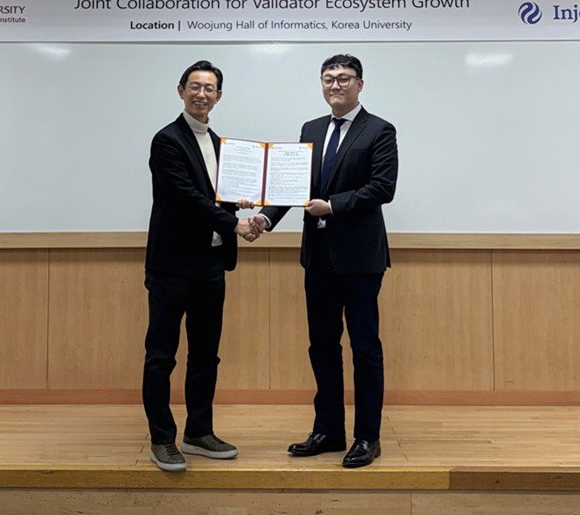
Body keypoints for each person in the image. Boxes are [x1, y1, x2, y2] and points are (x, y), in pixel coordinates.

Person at [251, 54, 398, 468]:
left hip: (359, 259)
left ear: (360, 84)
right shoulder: (311, 129)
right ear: (321, 83)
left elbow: (382, 188)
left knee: (364, 348)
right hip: (317, 257)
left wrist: (332, 206)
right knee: (322, 346)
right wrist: (265, 217)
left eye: (344, 78)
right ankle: (329, 430)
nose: (336, 85)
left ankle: (367, 436)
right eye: (329, 78)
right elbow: (293, 185)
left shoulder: (379, 130)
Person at [143, 60, 257, 472]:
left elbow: (217, 197)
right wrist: (233, 223)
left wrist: (244, 200)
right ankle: (162, 438)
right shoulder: (167, 140)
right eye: (194, 86)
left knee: (206, 355)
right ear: (181, 91)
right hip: (172, 266)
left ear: (218, 96)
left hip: (211, 263)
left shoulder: (222, 145)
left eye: (209, 88)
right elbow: (186, 197)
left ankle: (198, 431)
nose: (201, 94)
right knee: (161, 356)